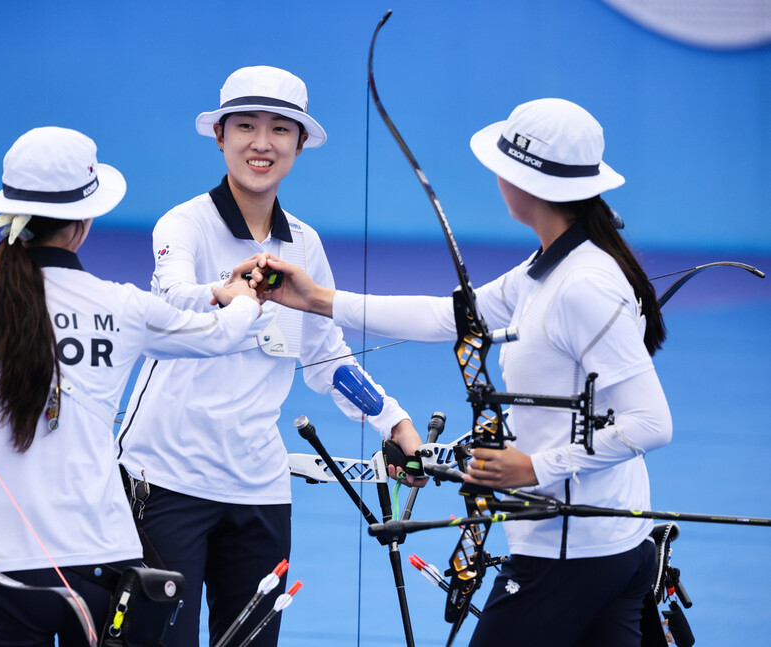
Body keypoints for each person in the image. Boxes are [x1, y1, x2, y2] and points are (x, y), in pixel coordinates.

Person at [261, 98, 673, 646]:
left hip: (570, 556)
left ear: (527, 183)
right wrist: (317, 299)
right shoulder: (546, 269)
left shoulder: (584, 284)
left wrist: (534, 466)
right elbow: (445, 315)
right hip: (605, 546)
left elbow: (650, 423)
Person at [0, 126, 261, 646]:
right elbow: (222, 335)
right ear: (83, 223)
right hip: (105, 565)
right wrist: (244, 294)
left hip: (4, 567)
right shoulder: (121, 305)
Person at [115, 65, 426, 646]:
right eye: (247, 127)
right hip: (167, 482)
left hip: (259, 492)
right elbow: (169, 299)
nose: (262, 143)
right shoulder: (183, 225)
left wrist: (397, 422)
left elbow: (328, 360)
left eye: (280, 129)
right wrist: (222, 292)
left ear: (300, 143)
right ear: (221, 135)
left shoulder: (303, 244)